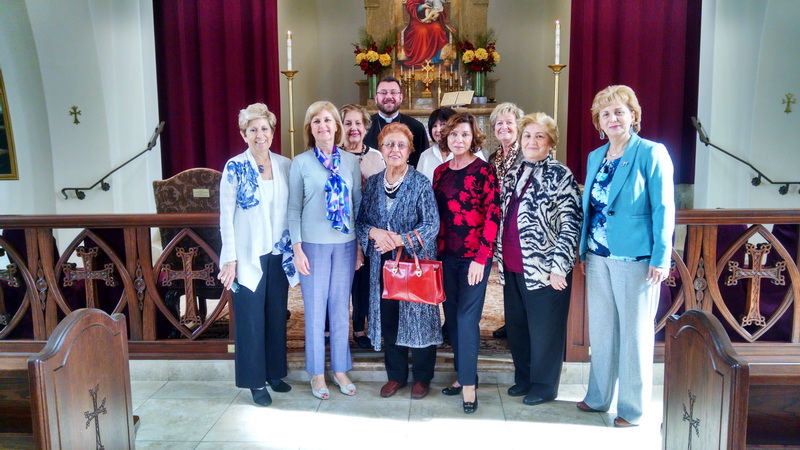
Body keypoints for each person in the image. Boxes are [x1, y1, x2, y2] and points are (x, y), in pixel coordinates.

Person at [576, 85, 675, 428]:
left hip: (635, 257)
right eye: (605, 113)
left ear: (633, 115)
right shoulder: (595, 156)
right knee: (602, 330)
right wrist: (583, 251)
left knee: (634, 334)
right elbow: (591, 206)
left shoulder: (651, 153)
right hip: (597, 254)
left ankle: (632, 408)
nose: (613, 118)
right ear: (598, 122)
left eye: (619, 111)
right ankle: (598, 395)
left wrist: (661, 257)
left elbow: (664, 208)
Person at [495, 112, 582, 406]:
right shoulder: (514, 172)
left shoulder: (561, 174)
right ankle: (525, 378)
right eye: (527, 135)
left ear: (550, 142)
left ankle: (545, 386)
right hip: (512, 264)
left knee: (545, 329)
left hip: (545, 268)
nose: (532, 141)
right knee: (518, 326)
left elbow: (571, 223)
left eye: (539, 136)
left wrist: (560, 267)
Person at [356, 123, 442, 400]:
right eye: (389, 144)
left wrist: (399, 240)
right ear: (381, 149)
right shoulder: (373, 184)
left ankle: (422, 377)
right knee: (389, 318)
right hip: (383, 265)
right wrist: (374, 232)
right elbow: (361, 221)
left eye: (401, 145)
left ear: (410, 151)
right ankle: (395, 376)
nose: (395, 149)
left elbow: (431, 224)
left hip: (414, 265)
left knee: (418, 319)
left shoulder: (420, 183)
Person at [218, 103, 295, 407]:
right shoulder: (234, 167)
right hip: (248, 254)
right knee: (250, 320)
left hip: (279, 252)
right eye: (253, 129)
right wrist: (230, 258)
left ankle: (275, 372)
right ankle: (254, 381)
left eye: (265, 128)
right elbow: (225, 216)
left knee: (276, 315)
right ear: (243, 134)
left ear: (272, 132)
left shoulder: (286, 165)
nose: (260, 134)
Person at [289, 101, 363, 399]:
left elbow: (357, 206)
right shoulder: (301, 163)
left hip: (345, 246)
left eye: (328, 121)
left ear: (337, 127)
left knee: (340, 311)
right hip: (313, 247)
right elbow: (293, 209)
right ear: (311, 129)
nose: (323, 126)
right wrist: (297, 249)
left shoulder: (350, 162)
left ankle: (341, 369)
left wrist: (358, 246)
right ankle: (317, 374)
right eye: (316, 121)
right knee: (316, 312)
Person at [432, 112, 501, 414]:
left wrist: (481, 258)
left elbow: (492, 216)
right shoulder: (440, 172)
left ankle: (470, 387)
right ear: (446, 137)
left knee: (466, 320)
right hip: (446, 256)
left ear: (474, 138)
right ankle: (463, 376)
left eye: (464, 134)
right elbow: (435, 216)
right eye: (453, 134)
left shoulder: (485, 171)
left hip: (475, 258)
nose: (458, 139)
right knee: (452, 318)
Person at [339, 104, 385, 349]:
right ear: (341, 127)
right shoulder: (333, 155)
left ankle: (360, 328)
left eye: (358, 123)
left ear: (366, 127)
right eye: (348, 123)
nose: (353, 128)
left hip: (368, 230)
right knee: (339, 283)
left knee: (363, 281)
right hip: (340, 230)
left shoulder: (376, 158)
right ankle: (332, 329)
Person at [487, 102, 525, 340]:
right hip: (501, 225)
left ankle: (521, 326)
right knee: (506, 276)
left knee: (521, 276)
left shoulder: (527, 152)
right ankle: (511, 322)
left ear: (518, 126)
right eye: (499, 123)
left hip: (521, 225)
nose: (504, 127)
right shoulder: (493, 158)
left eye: (509, 122)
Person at [363, 77, 429, 167]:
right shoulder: (364, 127)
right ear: (376, 98)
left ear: (401, 97)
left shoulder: (416, 127)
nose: (389, 97)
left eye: (393, 92)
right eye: (383, 92)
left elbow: (423, 163)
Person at [417, 107, 486, 183]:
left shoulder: (473, 153)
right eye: (434, 126)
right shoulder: (425, 155)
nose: (438, 130)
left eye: (443, 124)